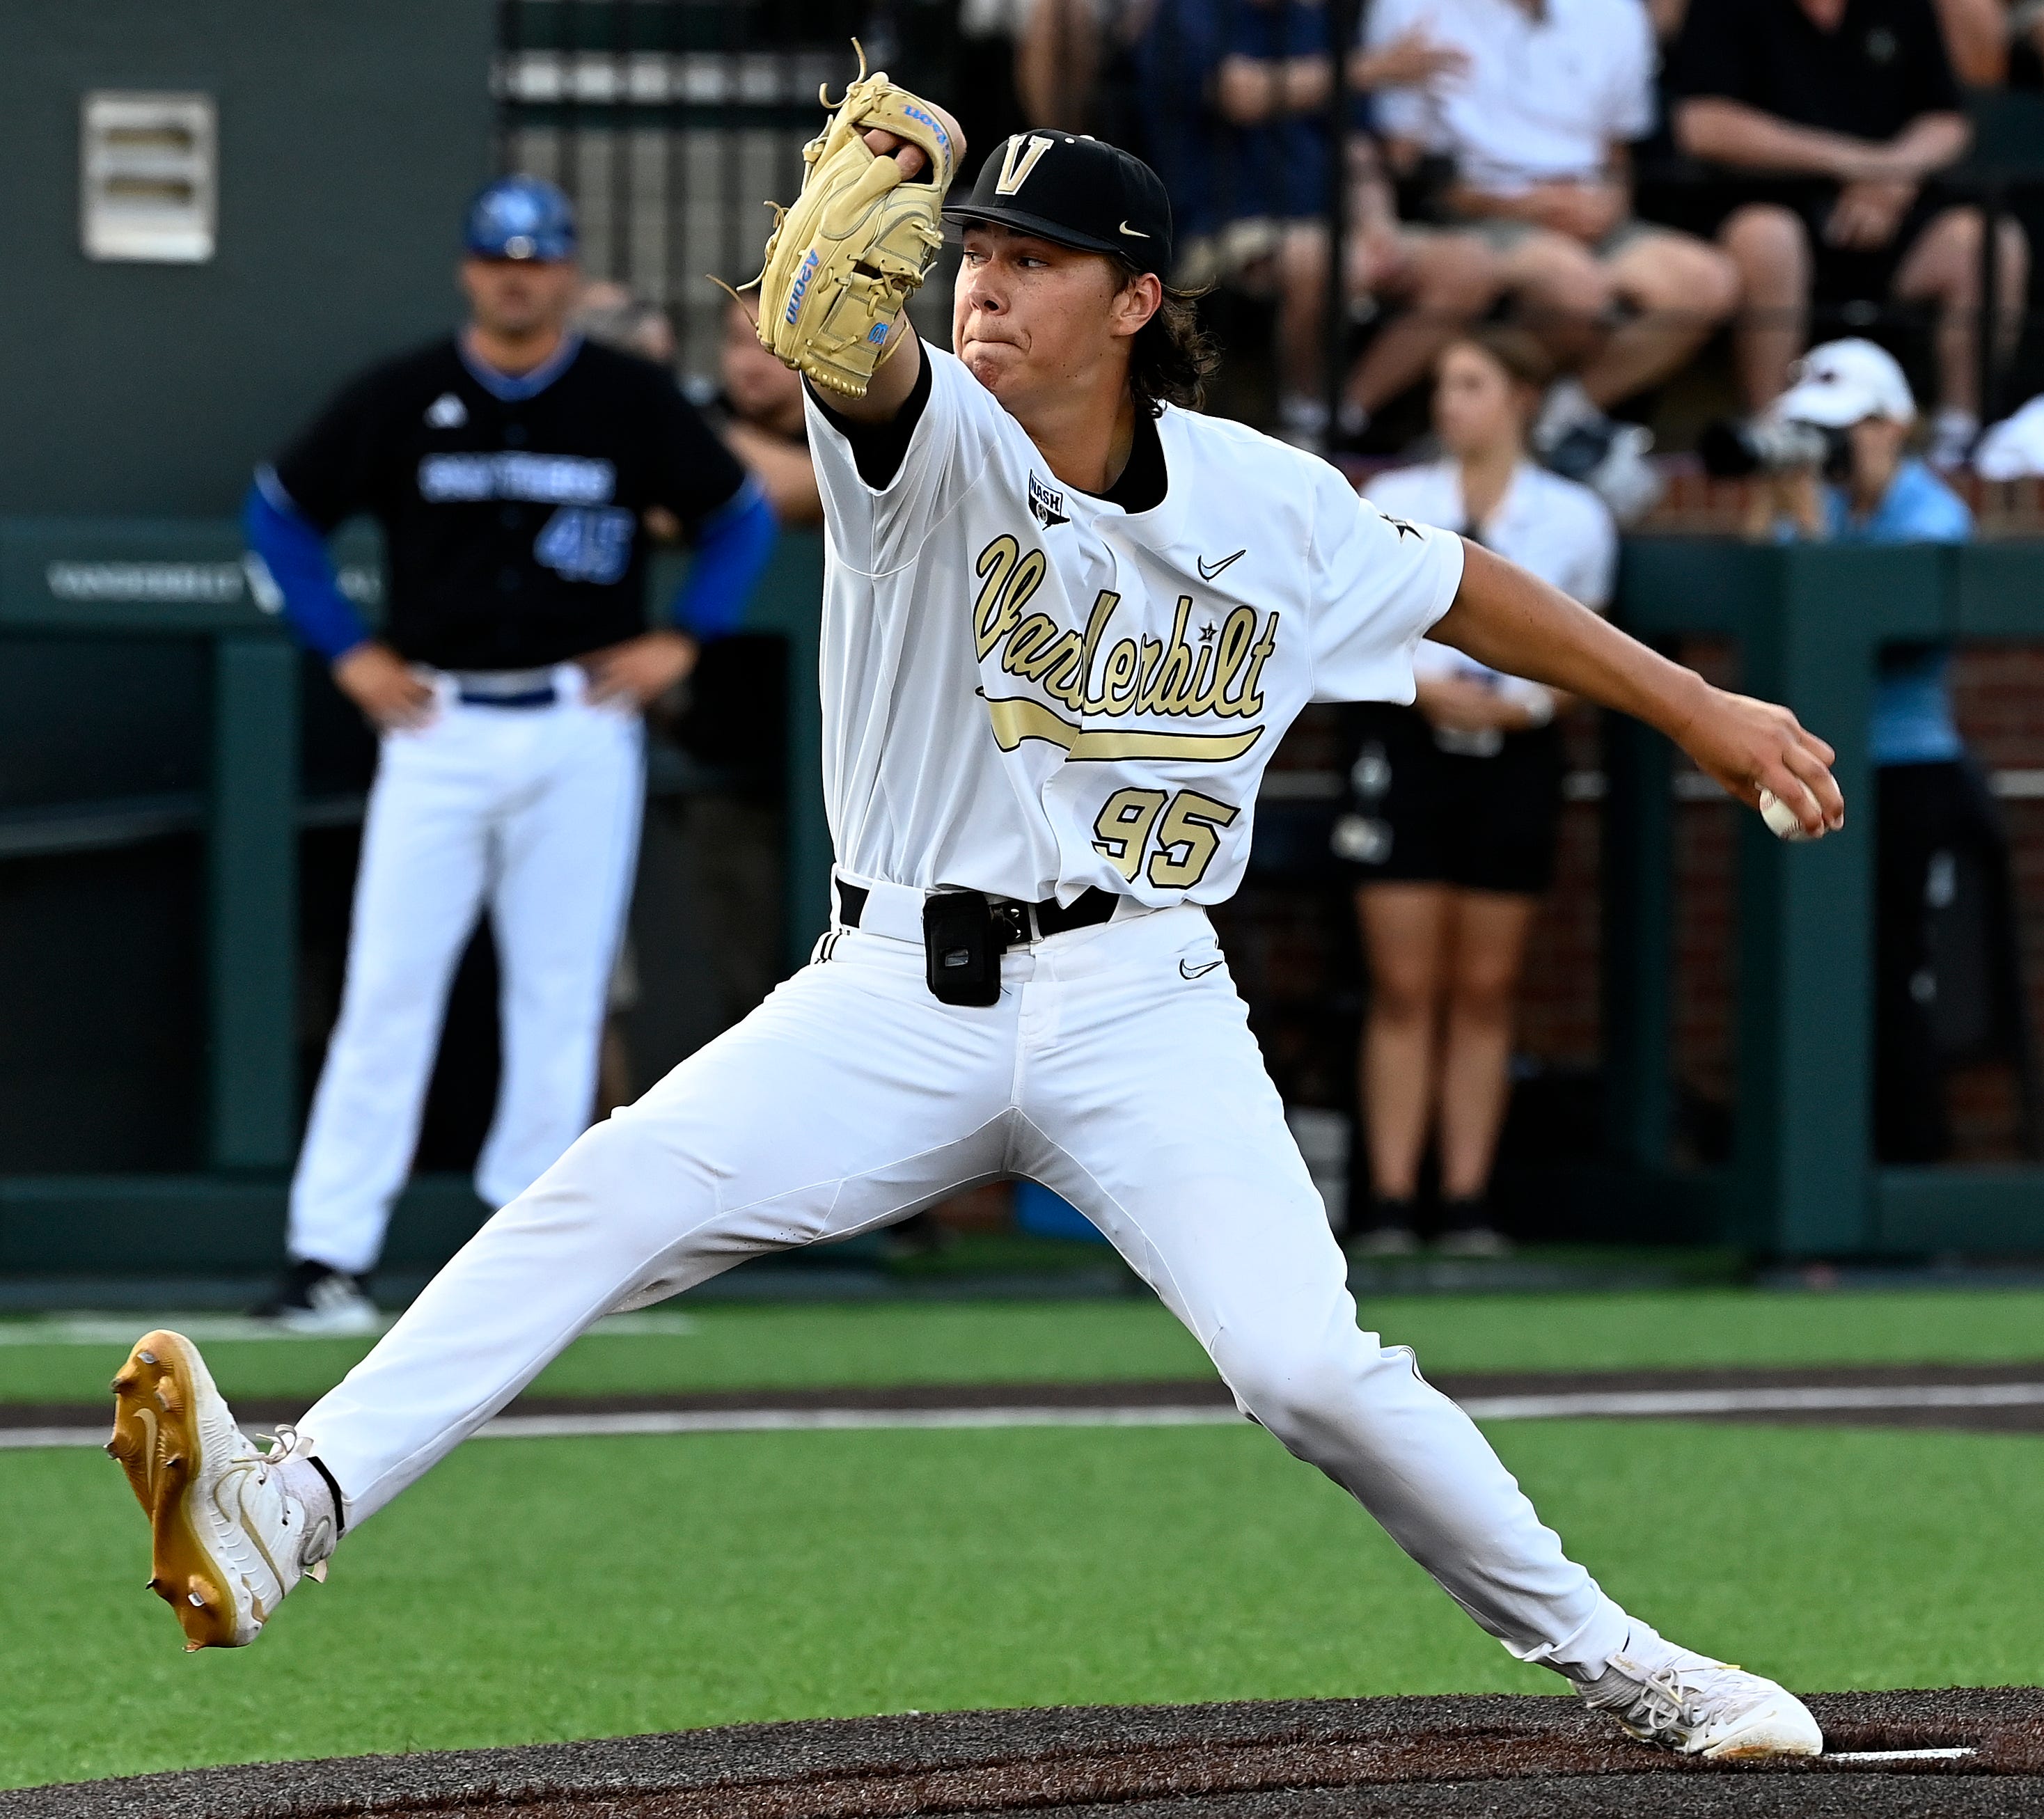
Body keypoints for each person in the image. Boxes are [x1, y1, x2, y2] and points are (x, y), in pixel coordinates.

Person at [111, 98, 1844, 1766]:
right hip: (888, 995)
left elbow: (1462, 580)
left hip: (1141, 994)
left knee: (1310, 1370)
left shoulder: (1267, 501)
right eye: (979, 251)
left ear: (1138, 301)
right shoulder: (925, 438)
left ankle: (1626, 1661)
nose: (986, 283)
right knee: (604, 1192)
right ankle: (288, 1508)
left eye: (1036, 257)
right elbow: (826, 333)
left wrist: (1690, 706)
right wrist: (875, 190)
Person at [242, 177, 778, 1334]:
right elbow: (279, 512)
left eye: (538, 260)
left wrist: (684, 636)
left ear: (574, 273)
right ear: (469, 269)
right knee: (389, 988)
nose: (518, 276)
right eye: (499, 258)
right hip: (435, 720)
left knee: (561, 989)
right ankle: (326, 1255)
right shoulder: (406, 394)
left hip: (579, 719)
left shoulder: (628, 399)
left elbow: (737, 513)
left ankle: (527, 1266)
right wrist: (346, 650)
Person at [1338, 328, 1616, 1254]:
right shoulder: (1395, 498)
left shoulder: (1575, 515)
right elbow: (1354, 623)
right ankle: (1384, 1200)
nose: (1449, 403)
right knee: (1405, 983)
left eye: (1471, 384)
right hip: (1405, 741)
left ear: (1521, 399)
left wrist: (1529, 709)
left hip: (1517, 755)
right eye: (1444, 384)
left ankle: (1464, 1202)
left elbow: (1585, 651)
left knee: (1488, 985)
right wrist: (1423, 688)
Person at [1748, 338, 2026, 1158]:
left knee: (1892, 969)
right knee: (1814, 975)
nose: (1836, 445)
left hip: (1907, 775)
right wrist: (1780, 503)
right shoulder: (1826, 506)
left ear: (1894, 425)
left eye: (1851, 427)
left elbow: (1863, 631)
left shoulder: (1931, 511)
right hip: (1813, 768)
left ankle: (1909, 1158)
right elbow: (1773, 606)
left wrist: (1809, 525)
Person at [1364, 0, 1740, 466]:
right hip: (1472, 214)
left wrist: (1608, 203)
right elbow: (1406, 162)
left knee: (1706, 281)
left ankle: (1548, 422)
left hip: (1589, 212)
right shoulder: (1411, 8)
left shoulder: (1617, 13)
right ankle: (1486, 431)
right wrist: (1521, 204)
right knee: (1574, 287)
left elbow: (1617, 152)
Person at [1668, 0, 2029, 465]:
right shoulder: (1725, 10)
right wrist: (1853, 162)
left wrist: (1893, 176)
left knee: (1988, 242)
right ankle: (1775, 439)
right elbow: (1702, 126)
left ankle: (1957, 442)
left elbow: (1947, 119)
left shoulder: (1904, 8)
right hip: (1773, 213)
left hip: (1890, 218)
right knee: (1767, 235)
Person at [1134, 0, 1504, 449]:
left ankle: (1339, 415)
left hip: (1334, 227)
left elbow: (1358, 152)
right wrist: (1373, 67)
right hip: (1223, 228)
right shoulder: (1190, 14)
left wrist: (1379, 223)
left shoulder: (1317, 25)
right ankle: (1299, 406)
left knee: (1469, 267)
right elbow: (1240, 93)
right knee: (1324, 259)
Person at [695, 294, 824, 526]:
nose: (750, 364)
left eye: (773, 345)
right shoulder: (707, 412)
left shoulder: (846, 430)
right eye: (738, 341)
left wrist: (706, 434)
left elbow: (803, 490)